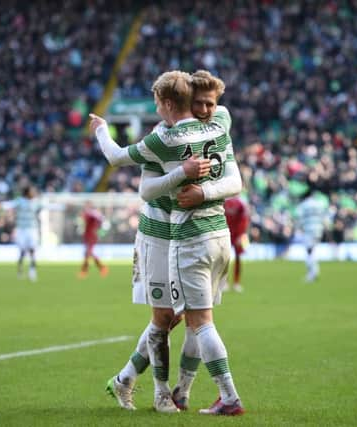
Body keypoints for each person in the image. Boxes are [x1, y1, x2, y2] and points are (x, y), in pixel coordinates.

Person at [91, 70, 245, 416]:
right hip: (157, 233)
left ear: (166, 102)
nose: (207, 109)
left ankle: (174, 389)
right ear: (188, 101)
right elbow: (146, 191)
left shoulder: (210, 123)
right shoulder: (164, 135)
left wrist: (100, 128)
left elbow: (236, 178)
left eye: (211, 103)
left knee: (190, 318)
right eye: (200, 103)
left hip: (189, 235)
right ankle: (157, 391)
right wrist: (182, 174)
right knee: (166, 316)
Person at [1, 186, 42, 282]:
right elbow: (9, 205)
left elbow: (48, 206)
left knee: (32, 250)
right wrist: (1, 204)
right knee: (22, 251)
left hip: (32, 229)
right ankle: (20, 270)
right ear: (27, 192)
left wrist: (63, 206)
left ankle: (32, 270)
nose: (34, 193)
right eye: (32, 191)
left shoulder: (36, 202)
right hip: (21, 229)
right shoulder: (19, 201)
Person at [295, 189, 329, 283]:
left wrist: (298, 228)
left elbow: (298, 217)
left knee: (309, 251)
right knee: (313, 250)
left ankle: (313, 272)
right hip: (318, 230)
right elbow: (325, 217)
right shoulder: (320, 204)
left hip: (308, 229)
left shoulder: (303, 205)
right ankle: (313, 271)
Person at [223, 196, 250, 292]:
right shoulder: (223, 200)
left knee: (238, 257)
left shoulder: (241, 202)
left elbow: (245, 219)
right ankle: (224, 282)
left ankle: (236, 283)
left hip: (238, 234)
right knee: (224, 259)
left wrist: (242, 234)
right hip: (225, 233)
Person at [78, 201, 108, 278]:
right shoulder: (87, 213)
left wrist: (99, 229)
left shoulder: (93, 213)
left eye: (87, 205)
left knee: (88, 253)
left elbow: (101, 219)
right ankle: (101, 268)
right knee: (87, 254)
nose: (86, 207)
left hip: (92, 236)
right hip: (87, 236)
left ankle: (85, 270)